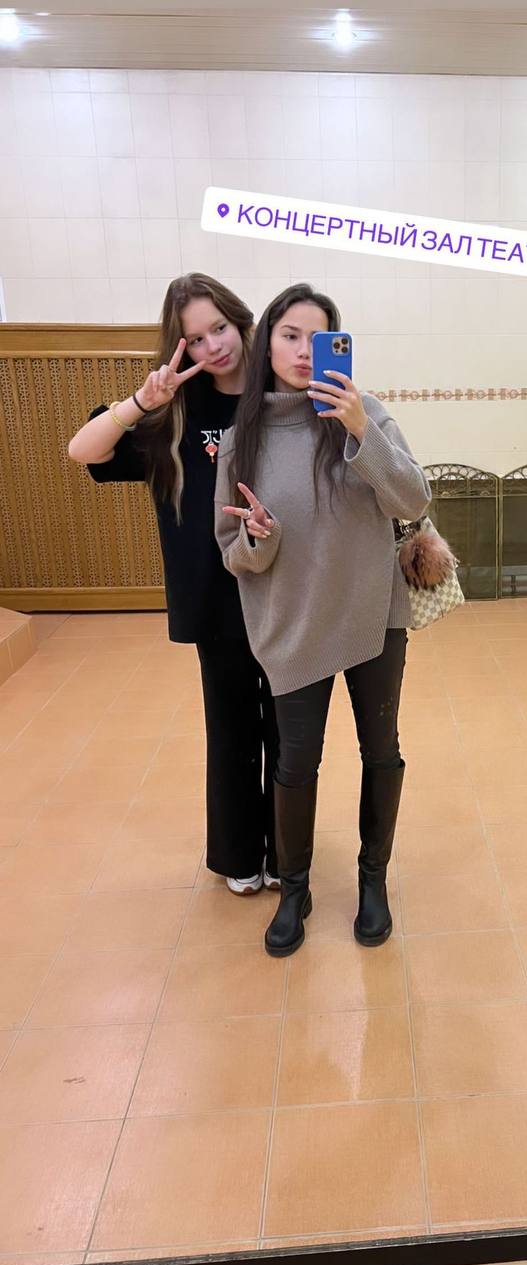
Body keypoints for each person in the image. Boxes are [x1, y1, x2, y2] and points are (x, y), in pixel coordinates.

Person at [214, 282, 431, 957]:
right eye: (290, 336)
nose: (305, 351)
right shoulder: (242, 441)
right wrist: (259, 538)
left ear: (340, 344)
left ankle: (373, 880)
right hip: (294, 625)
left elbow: (413, 498)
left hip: (373, 616)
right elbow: (232, 555)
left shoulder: (365, 412)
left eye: (320, 338)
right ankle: (296, 889)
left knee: (381, 751)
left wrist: (361, 430)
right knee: (295, 763)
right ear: (267, 344)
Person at [67, 273, 279, 896]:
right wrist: (141, 402)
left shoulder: (278, 397)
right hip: (215, 599)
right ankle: (239, 856)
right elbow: (83, 451)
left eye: (221, 328)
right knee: (232, 731)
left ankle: (287, 851)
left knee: (288, 733)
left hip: (286, 596)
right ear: (180, 346)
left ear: (241, 322)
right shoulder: (174, 416)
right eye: (197, 338)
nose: (214, 346)